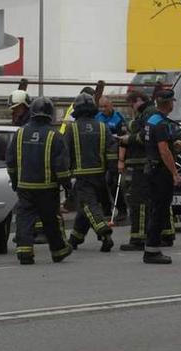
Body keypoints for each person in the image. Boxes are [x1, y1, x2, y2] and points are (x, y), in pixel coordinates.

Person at [7, 97, 73, 265]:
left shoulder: (20, 133)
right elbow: (61, 167)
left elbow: (11, 161)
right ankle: (58, 251)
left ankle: (24, 252)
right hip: (47, 188)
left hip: (25, 186)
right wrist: (67, 186)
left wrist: (15, 182)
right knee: (50, 220)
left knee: (24, 218)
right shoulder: (55, 135)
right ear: (50, 114)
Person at [119, 91, 177, 252]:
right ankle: (158, 240)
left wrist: (128, 137)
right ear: (170, 104)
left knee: (143, 202)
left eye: (132, 103)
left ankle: (142, 240)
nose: (132, 107)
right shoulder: (156, 118)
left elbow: (162, 148)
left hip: (151, 167)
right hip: (154, 167)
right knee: (159, 204)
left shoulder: (152, 117)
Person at [142, 89, 181, 264]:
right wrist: (175, 173)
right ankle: (152, 251)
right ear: (169, 103)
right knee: (160, 210)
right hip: (160, 171)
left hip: (151, 168)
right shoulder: (162, 124)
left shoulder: (150, 120)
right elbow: (164, 151)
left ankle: (150, 248)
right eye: (172, 102)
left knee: (155, 209)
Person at [64, 93, 118, 252]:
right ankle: (75, 239)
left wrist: (64, 176)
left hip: (81, 176)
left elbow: (65, 154)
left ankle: (104, 232)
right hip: (101, 175)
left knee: (88, 205)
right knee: (85, 207)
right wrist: (112, 172)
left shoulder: (71, 128)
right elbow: (112, 152)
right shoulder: (103, 127)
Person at [96, 96, 128, 221]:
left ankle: (122, 209)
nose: (103, 109)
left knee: (114, 183)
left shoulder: (118, 118)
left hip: (115, 155)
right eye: (101, 107)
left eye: (105, 106)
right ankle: (106, 210)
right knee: (101, 184)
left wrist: (121, 159)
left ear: (111, 105)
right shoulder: (97, 118)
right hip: (100, 155)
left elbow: (123, 138)